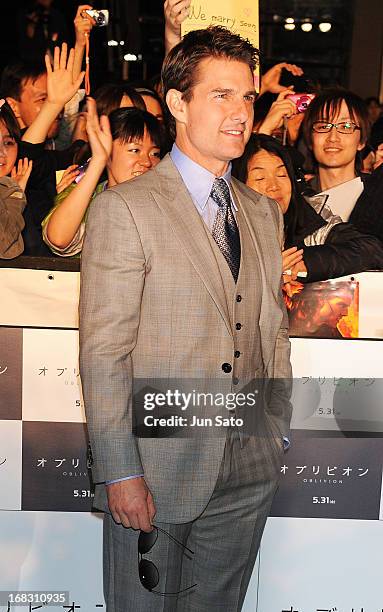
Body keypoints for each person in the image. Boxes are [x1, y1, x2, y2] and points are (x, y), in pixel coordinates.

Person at [79, 25, 292, 612]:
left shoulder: (261, 212)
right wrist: (119, 471)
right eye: (220, 95)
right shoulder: (126, 208)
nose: (240, 112)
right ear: (177, 102)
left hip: (247, 462)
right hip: (157, 464)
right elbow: (104, 352)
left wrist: (273, 428)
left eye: (247, 96)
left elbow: (272, 330)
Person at [232, 134, 383, 285]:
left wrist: (303, 263)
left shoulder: (308, 214)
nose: (274, 186)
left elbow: (371, 250)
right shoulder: (223, 230)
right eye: (260, 178)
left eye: (282, 175)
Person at [42, 100, 164, 256]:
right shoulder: (87, 198)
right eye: (135, 150)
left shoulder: (165, 202)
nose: (147, 162)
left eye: (154, 153)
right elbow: (58, 239)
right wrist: (99, 159)